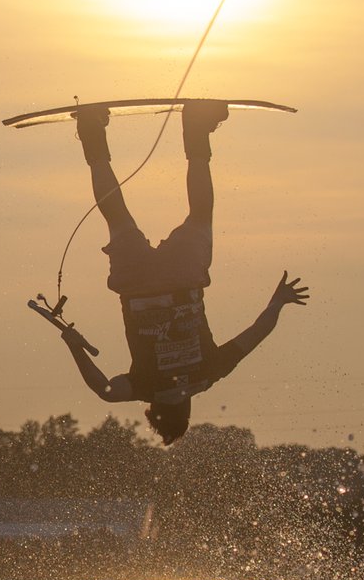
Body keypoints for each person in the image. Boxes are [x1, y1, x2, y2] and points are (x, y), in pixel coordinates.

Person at [59, 100, 308, 444]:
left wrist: (278, 301)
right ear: (153, 412)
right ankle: (91, 130)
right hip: (138, 286)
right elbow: (104, 390)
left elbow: (257, 333)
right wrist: (73, 345)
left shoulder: (209, 374)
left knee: (201, 212)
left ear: (188, 409)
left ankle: (195, 125)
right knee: (116, 214)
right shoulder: (145, 387)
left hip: (182, 278)